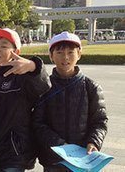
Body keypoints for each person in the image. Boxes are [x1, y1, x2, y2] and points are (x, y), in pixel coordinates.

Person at [0, 27, 51, 172]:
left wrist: (33, 66)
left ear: (16, 53)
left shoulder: (23, 79)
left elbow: (44, 85)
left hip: (14, 155)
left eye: (4, 46)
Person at [33, 32, 108, 172]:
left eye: (70, 52)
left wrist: (93, 142)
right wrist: (60, 145)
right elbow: (38, 123)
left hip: (83, 159)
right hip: (53, 160)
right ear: (51, 56)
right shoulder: (44, 87)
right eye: (60, 52)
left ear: (79, 54)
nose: (65, 57)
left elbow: (100, 121)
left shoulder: (91, 87)